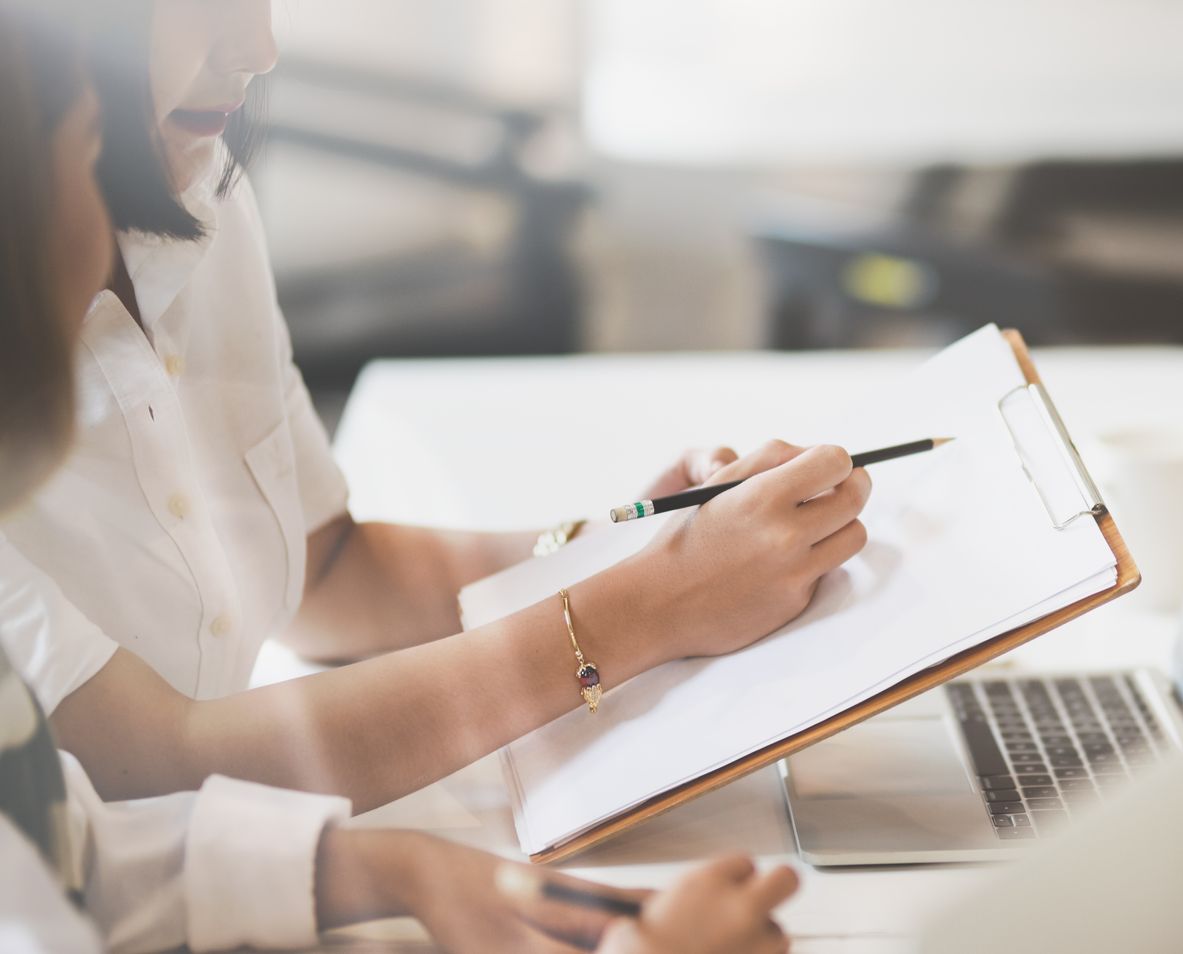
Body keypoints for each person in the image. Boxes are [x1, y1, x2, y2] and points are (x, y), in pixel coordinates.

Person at [0, 5, 798, 953]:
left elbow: (324, 567)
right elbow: (152, 769)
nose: (260, 50)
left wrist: (627, 543)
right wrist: (645, 608)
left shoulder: (191, 189)